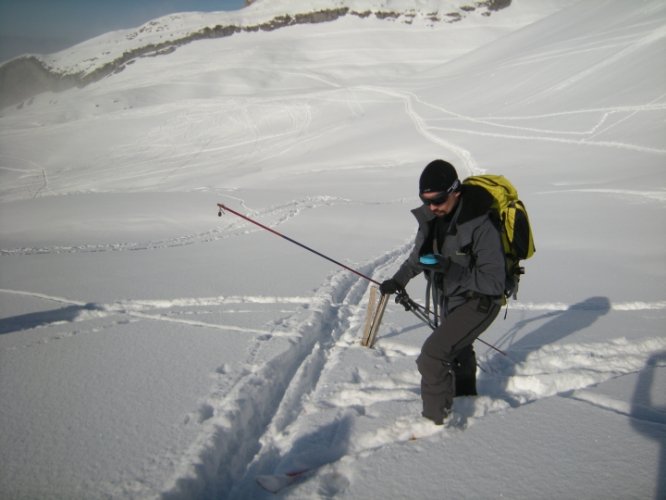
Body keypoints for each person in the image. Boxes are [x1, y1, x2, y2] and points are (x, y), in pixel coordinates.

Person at [380, 159, 506, 424]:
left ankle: (434, 423)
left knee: (433, 356)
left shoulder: (481, 224)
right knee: (458, 349)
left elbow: (495, 283)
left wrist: (449, 268)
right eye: (426, 200)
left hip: (480, 302)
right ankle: (465, 398)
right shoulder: (431, 218)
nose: (432, 207)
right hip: (450, 298)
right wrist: (398, 280)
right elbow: (417, 258)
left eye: (437, 199)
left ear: (455, 191)